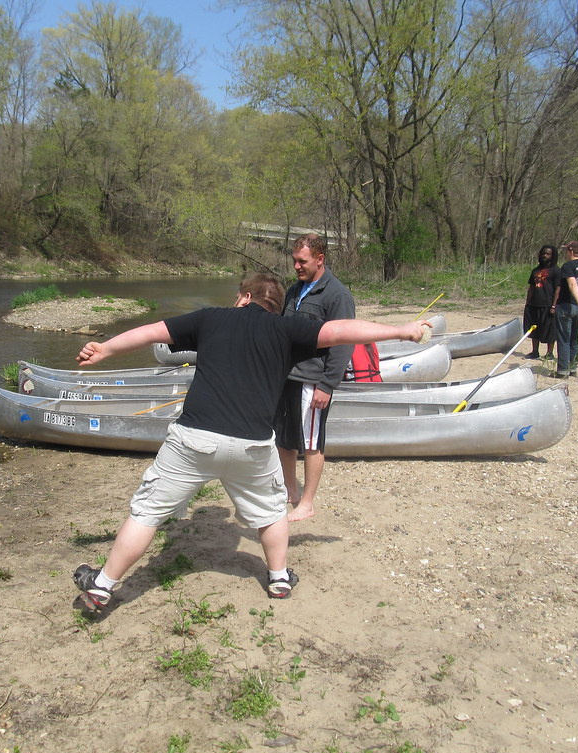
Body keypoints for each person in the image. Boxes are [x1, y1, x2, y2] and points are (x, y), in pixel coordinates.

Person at [71, 272, 430, 613]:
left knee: (147, 513)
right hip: (253, 446)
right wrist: (401, 330)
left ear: (245, 297)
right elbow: (340, 330)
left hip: (195, 439)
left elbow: (153, 332)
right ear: (276, 306)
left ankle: (102, 585)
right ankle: (279, 578)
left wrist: (106, 349)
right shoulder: (287, 329)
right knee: (271, 512)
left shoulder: (210, 318)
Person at [275, 233, 356, 523]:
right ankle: (290, 490)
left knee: (311, 442)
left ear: (320, 259)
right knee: (284, 438)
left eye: (302, 261)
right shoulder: (293, 291)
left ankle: (307, 502)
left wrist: (327, 385)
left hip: (313, 381)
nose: (296, 266)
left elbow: (344, 342)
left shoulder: (337, 295)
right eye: (294, 260)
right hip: (287, 377)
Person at [551, 241, 578, 378]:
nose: (565, 253)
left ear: (571, 252)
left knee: (564, 339)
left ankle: (562, 371)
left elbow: (572, 284)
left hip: (566, 305)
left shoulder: (568, 266)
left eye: (566, 251)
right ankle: (572, 368)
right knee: (574, 339)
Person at [522, 245, 559, 360]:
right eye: (543, 253)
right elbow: (531, 287)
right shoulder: (535, 270)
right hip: (534, 304)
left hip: (548, 304)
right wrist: (528, 302)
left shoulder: (556, 271)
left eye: (548, 254)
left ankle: (549, 353)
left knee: (550, 329)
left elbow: (558, 288)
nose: (545, 256)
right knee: (534, 328)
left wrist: (554, 305)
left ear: (552, 256)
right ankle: (535, 351)